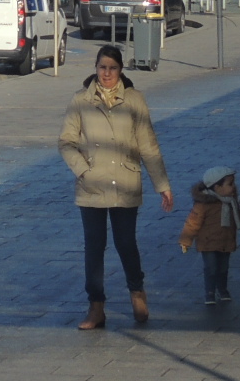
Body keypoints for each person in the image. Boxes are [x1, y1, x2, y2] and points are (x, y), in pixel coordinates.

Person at [59, 44, 173, 331]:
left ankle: (137, 292)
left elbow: (148, 145)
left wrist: (162, 184)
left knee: (126, 244)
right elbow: (66, 142)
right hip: (92, 186)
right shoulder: (80, 100)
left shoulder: (134, 100)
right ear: (95, 69)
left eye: (112, 67)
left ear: (120, 70)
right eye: (102, 67)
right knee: (94, 248)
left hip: (124, 181)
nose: (106, 73)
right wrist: (83, 170)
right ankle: (96, 306)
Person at [179, 166, 240, 305]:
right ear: (216, 187)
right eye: (230, 184)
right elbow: (192, 223)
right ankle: (210, 292)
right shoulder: (204, 204)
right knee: (211, 268)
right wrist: (186, 240)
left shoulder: (231, 202)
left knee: (223, 268)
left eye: (233, 183)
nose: (234, 187)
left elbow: (237, 218)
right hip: (208, 242)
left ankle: (222, 289)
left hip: (225, 240)